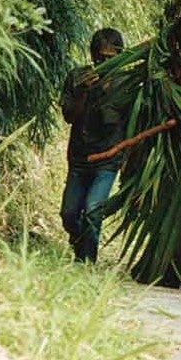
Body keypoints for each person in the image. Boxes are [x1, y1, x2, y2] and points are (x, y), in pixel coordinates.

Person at [59, 27, 127, 264]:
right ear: (92, 55)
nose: (104, 63)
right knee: (69, 215)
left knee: (93, 211)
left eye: (110, 59)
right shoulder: (78, 78)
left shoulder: (126, 84)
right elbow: (69, 116)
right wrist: (83, 92)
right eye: (100, 57)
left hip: (107, 161)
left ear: (120, 56)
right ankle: (79, 244)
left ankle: (87, 262)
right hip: (79, 158)